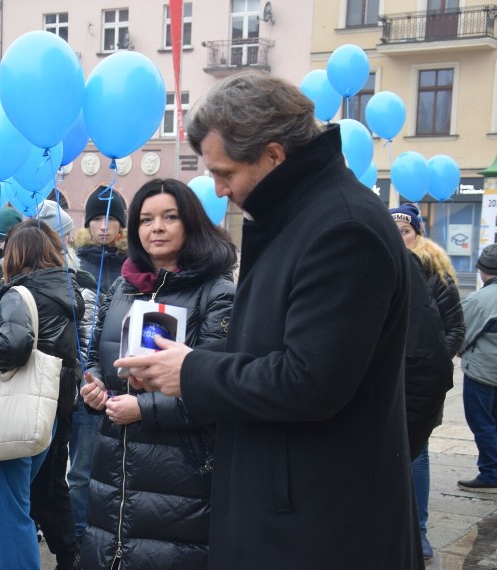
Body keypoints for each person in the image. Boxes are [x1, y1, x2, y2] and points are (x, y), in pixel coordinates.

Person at [115, 72, 422, 569]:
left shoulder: (341, 228)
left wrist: (191, 371)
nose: (217, 188)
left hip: (320, 522)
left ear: (274, 155)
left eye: (226, 173)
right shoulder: (302, 218)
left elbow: (311, 379)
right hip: (295, 507)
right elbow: (272, 351)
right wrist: (187, 364)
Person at [79, 178, 236, 569]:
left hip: (180, 472)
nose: (157, 228)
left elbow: (216, 387)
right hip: (113, 461)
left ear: (191, 223)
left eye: (169, 217)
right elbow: (96, 356)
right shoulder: (122, 289)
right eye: (146, 219)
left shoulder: (216, 292)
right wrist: (96, 388)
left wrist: (144, 409)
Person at [0, 219, 84, 570]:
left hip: (13, 412)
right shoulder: (67, 291)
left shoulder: (20, 293)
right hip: (47, 411)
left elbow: (14, 346)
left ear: (16, 255)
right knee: (0, 504)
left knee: (10, 509)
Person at [391, 203, 465, 558]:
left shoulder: (437, 274)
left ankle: (418, 530)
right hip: (390, 382)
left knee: (417, 455)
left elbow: (455, 329)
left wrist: (432, 360)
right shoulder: (386, 268)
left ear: (417, 233)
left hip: (421, 381)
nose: (399, 238)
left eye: (405, 231)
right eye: (394, 232)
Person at [33, 200, 95, 569]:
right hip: (38, 396)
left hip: (64, 395)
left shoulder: (79, 283)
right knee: (46, 481)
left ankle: (70, 550)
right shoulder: (20, 284)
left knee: (60, 477)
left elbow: (87, 339)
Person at [70, 186, 128, 545]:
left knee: (119, 471)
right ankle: (79, 540)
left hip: (121, 378)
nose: (104, 226)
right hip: (84, 379)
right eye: (97, 218)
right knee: (81, 470)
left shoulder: (132, 265)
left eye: (111, 219)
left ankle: (113, 537)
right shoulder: (75, 263)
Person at [457, 244, 497, 493]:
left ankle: (491, 473)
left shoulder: (480, 299)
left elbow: (460, 332)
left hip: (482, 371)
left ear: (482, 270)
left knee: (482, 423)